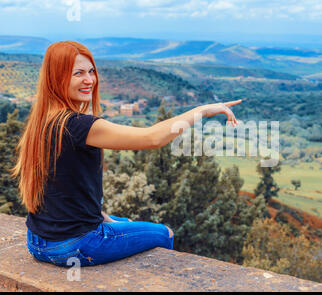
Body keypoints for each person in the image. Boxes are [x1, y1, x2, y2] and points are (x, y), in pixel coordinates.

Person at [10, 40, 242, 267]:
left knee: (125, 222)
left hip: (38, 242)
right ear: (57, 78)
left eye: (91, 71)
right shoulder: (79, 125)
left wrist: (103, 217)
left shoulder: (43, 121)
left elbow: (67, 188)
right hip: (74, 245)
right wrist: (202, 110)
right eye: (78, 73)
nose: (89, 80)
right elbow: (153, 137)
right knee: (165, 233)